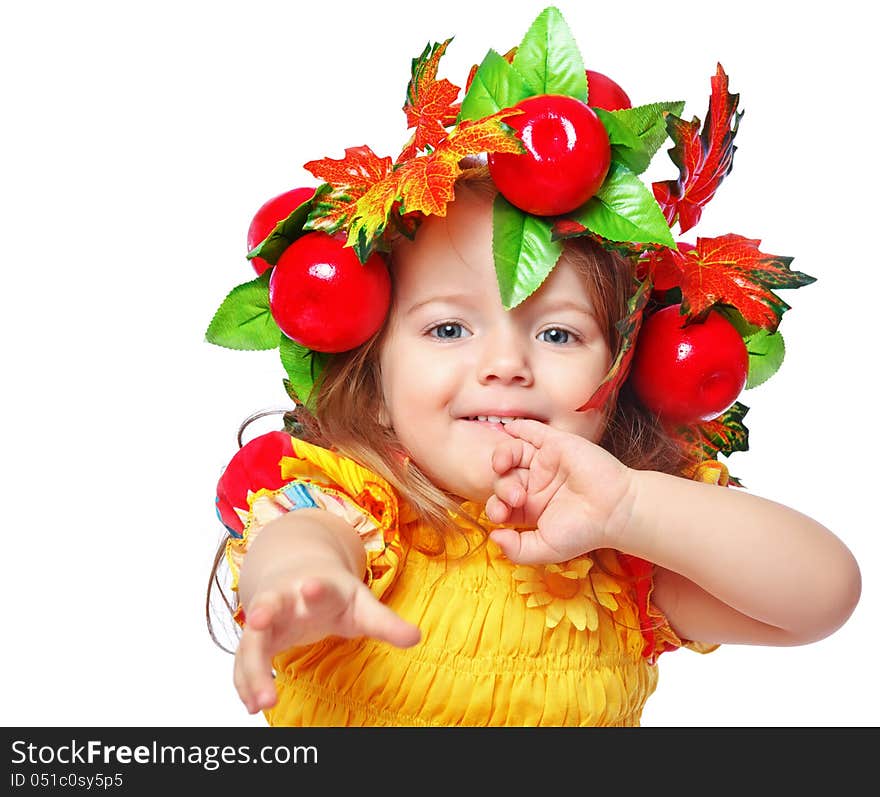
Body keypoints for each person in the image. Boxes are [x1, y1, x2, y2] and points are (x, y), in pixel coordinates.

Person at [205, 8, 861, 726]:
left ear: (618, 379)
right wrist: (305, 581)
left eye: (558, 334)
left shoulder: (622, 559)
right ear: (377, 379)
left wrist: (632, 509)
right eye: (449, 327)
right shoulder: (358, 513)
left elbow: (823, 594)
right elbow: (296, 541)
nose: (508, 364)